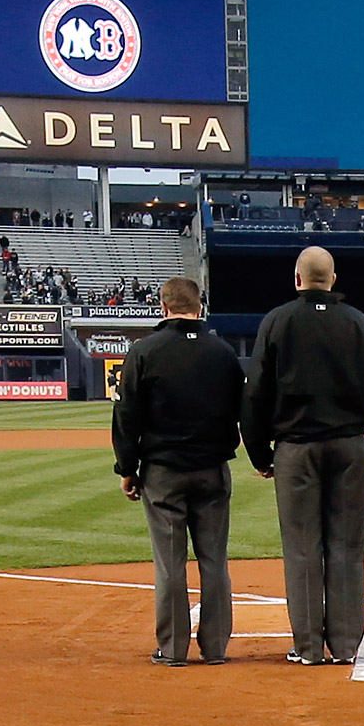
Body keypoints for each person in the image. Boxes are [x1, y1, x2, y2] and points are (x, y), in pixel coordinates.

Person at [241, 246, 364, 666]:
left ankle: (307, 647)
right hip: (348, 445)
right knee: (346, 544)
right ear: (333, 279)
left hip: (295, 448)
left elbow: (254, 393)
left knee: (303, 547)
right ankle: (345, 646)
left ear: (297, 279)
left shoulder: (277, 321)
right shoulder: (357, 321)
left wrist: (259, 454)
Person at [112, 277, 247, 667]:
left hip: (163, 471)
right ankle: (216, 647)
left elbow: (126, 415)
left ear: (163, 307)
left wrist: (127, 467)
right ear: (199, 306)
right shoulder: (223, 352)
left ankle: (172, 649)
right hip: (212, 468)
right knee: (214, 560)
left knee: (170, 562)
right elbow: (242, 411)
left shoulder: (144, 351)